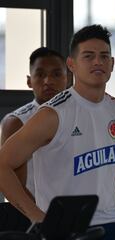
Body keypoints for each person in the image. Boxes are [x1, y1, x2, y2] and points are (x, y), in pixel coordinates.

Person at [0, 24, 115, 240]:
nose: (98, 61)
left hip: (112, 224)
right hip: (66, 231)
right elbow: (3, 165)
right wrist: (37, 217)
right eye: (88, 56)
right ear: (72, 64)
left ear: (112, 64)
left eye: (104, 56)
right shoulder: (51, 114)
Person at [0, 47, 68, 200]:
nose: (48, 81)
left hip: (79, 212)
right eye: (40, 74)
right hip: (31, 217)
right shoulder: (16, 122)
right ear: (29, 81)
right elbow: (11, 185)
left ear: (68, 78)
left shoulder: (80, 114)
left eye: (56, 74)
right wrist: (40, 218)